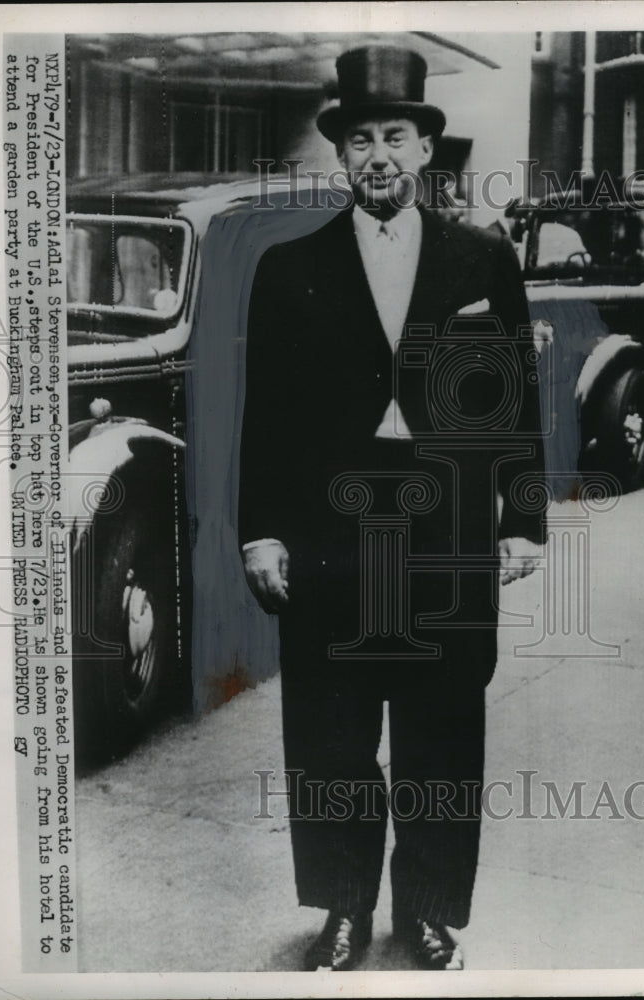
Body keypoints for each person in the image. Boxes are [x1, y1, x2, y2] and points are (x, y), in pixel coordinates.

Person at [238, 45, 546, 972]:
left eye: (395, 136)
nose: (378, 154)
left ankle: (427, 910)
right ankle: (340, 907)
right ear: (341, 154)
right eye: (360, 137)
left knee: (439, 731)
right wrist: (261, 528)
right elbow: (266, 416)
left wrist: (524, 516)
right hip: (330, 530)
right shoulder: (287, 268)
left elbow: (515, 398)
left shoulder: (482, 259)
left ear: (423, 150)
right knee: (330, 732)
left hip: (445, 530)